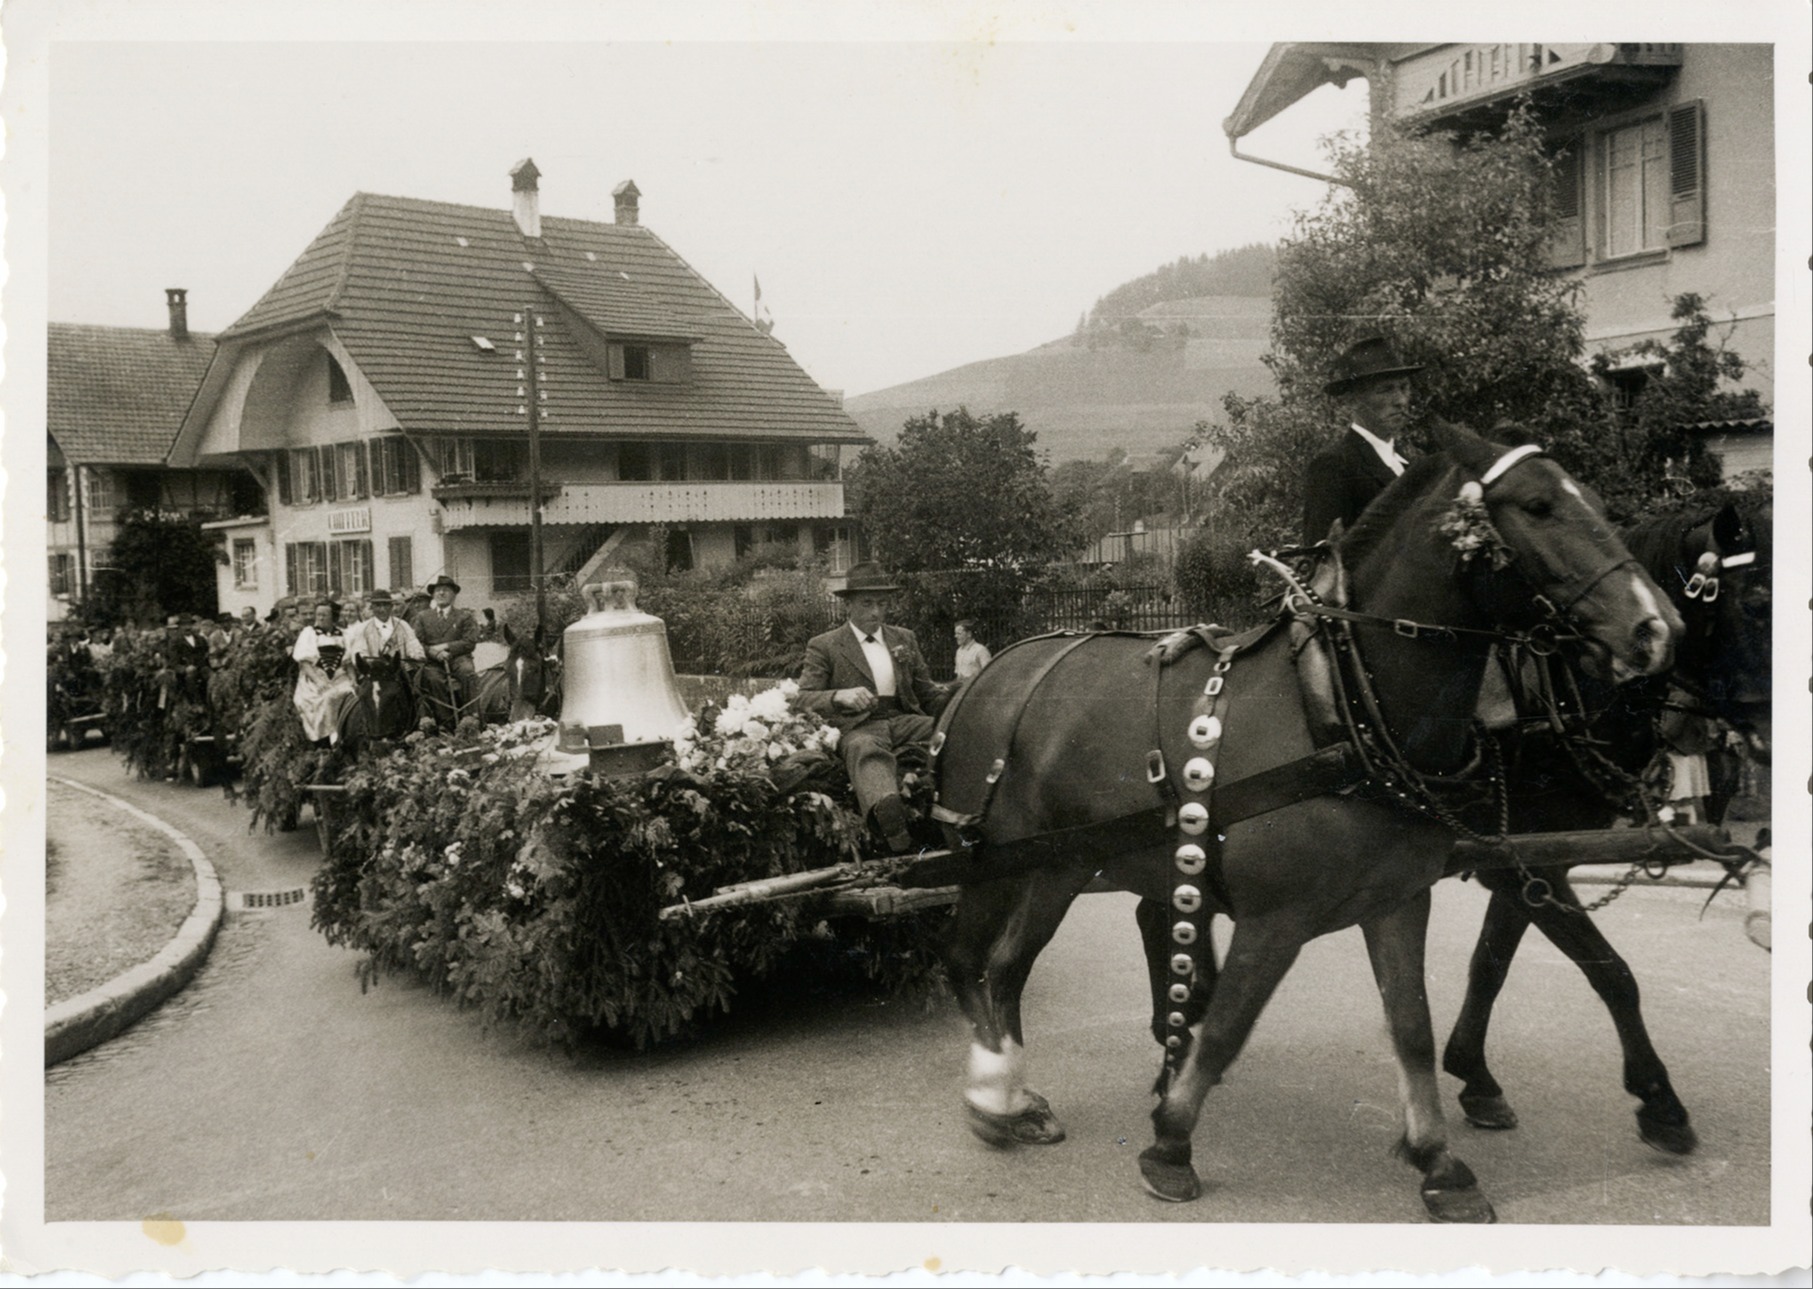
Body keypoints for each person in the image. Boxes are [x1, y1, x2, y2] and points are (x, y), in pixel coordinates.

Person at [796, 562, 954, 854]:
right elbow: (802, 698)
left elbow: (927, 694)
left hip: (904, 719)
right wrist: (838, 696)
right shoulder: (825, 645)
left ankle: (967, 807)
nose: (876, 612)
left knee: (950, 732)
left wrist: (962, 703)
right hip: (859, 725)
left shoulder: (904, 638)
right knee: (865, 748)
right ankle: (890, 818)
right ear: (848, 605)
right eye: (867, 603)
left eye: (882, 604)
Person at [1302, 336, 1423, 546]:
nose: (1401, 401)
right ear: (1353, 400)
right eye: (1385, 390)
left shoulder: (1408, 464)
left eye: (1404, 388)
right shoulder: (1334, 465)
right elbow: (1321, 557)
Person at [291, 600, 356, 745]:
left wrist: (353, 679)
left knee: (350, 695)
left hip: (339, 677)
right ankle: (324, 740)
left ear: (333, 616)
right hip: (315, 677)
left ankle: (344, 736)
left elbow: (348, 663)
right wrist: (318, 681)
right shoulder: (309, 633)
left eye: (324, 615)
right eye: (318, 614)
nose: (320, 618)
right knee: (322, 699)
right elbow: (304, 663)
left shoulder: (344, 635)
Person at [408, 574, 479, 704]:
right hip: (432, 662)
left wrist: (445, 646)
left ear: (454, 595)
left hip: (459, 658)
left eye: (446, 590)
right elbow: (417, 643)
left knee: (468, 672)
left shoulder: (464, 616)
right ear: (433, 595)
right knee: (433, 679)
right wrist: (433, 652)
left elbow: (469, 642)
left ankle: (471, 712)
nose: (441, 593)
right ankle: (443, 715)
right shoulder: (423, 617)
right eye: (438, 590)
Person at [344, 588, 426, 663]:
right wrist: (369, 662)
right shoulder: (362, 628)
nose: (382, 609)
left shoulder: (403, 625)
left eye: (385, 605)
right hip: (373, 671)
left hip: (401, 670)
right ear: (372, 607)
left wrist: (417, 655)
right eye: (378, 606)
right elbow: (359, 652)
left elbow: (413, 644)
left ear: (391, 606)